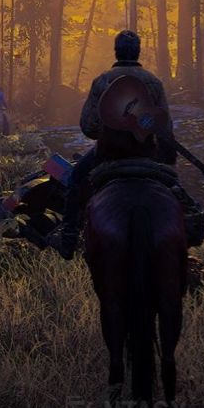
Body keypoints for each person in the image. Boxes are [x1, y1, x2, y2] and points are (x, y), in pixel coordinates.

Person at [53, 29, 176, 259]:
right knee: (178, 193)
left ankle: (68, 239)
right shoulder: (153, 82)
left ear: (116, 51)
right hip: (147, 155)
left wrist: (110, 127)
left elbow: (88, 126)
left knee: (76, 179)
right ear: (139, 51)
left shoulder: (102, 81)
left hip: (107, 155)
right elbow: (165, 128)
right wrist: (168, 159)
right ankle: (189, 229)